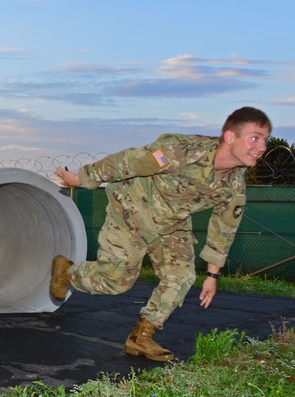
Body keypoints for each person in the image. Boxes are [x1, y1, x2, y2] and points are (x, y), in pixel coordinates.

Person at [50, 106, 271, 361]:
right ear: (230, 136)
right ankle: (67, 271)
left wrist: (212, 275)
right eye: (254, 137)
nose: (262, 147)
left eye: (265, 139)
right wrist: (81, 179)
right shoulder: (183, 151)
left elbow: (224, 228)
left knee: (181, 277)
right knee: (116, 282)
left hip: (171, 224)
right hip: (132, 210)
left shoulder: (234, 184)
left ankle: (140, 337)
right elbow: (129, 161)